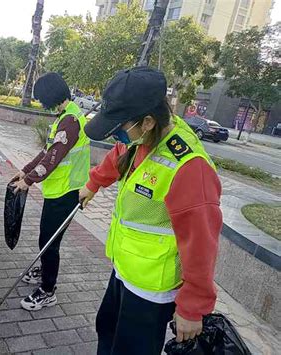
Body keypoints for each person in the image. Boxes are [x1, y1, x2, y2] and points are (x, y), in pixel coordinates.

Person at [79, 67, 222, 355]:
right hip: (124, 269)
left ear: (147, 121)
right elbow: (119, 154)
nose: (116, 136)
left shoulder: (189, 167)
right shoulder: (141, 137)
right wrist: (93, 184)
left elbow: (201, 243)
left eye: (120, 128)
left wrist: (192, 306)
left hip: (152, 289)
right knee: (106, 331)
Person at [12, 73, 90, 311]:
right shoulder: (65, 116)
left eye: (41, 98)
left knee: (49, 241)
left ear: (50, 95)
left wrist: (30, 180)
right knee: (49, 238)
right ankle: (44, 270)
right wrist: (25, 171)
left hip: (67, 192)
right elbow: (47, 151)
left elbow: (54, 157)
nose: (41, 103)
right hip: (59, 190)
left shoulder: (71, 121)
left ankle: (48, 290)